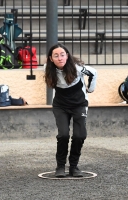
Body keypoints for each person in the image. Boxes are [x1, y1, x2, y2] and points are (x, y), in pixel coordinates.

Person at [44, 43, 97, 178]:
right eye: (56, 56)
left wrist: (90, 89)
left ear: (67, 56)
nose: (60, 58)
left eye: (62, 55)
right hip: (60, 106)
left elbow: (93, 72)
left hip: (79, 104)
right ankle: (60, 166)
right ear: (51, 59)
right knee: (63, 135)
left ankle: (74, 166)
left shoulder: (77, 68)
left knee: (79, 135)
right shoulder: (47, 68)